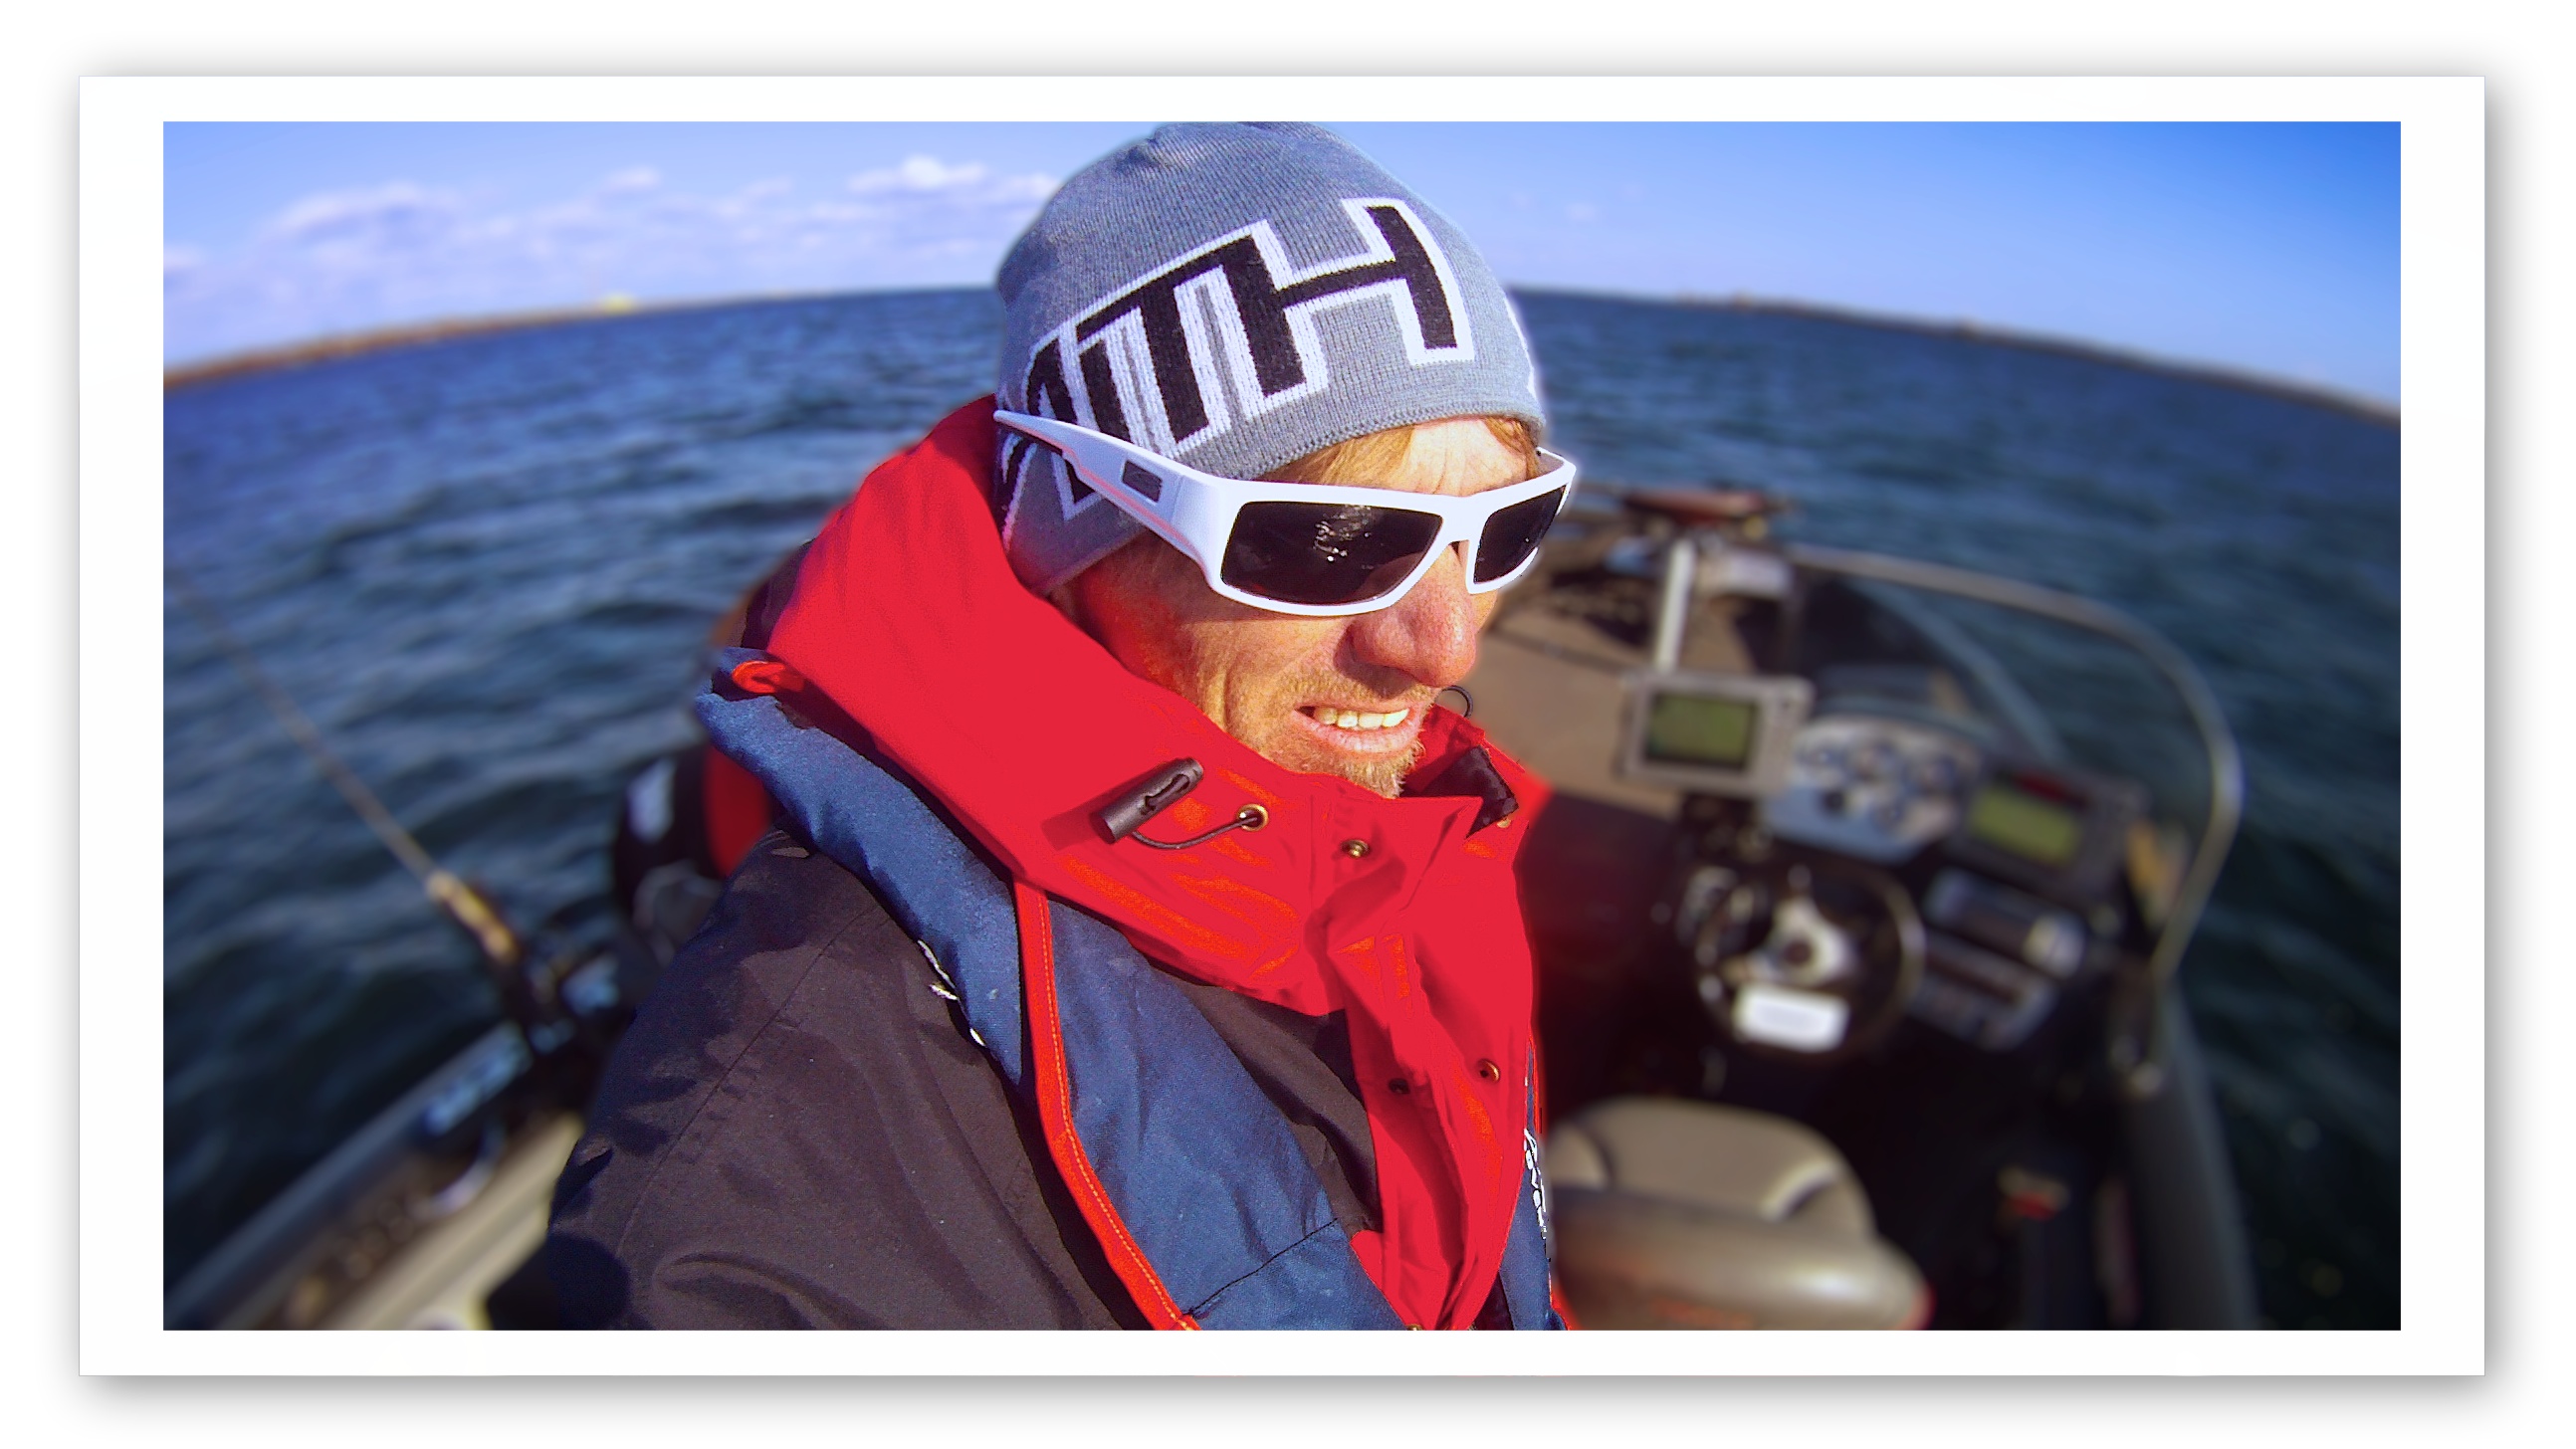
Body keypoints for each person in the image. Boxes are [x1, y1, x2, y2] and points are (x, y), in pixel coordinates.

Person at [545, 122, 1576, 1330]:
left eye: (1504, 524)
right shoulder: (759, 1170)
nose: (1444, 647)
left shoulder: (1425, 839)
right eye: (1325, 538)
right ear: (1073, 531)